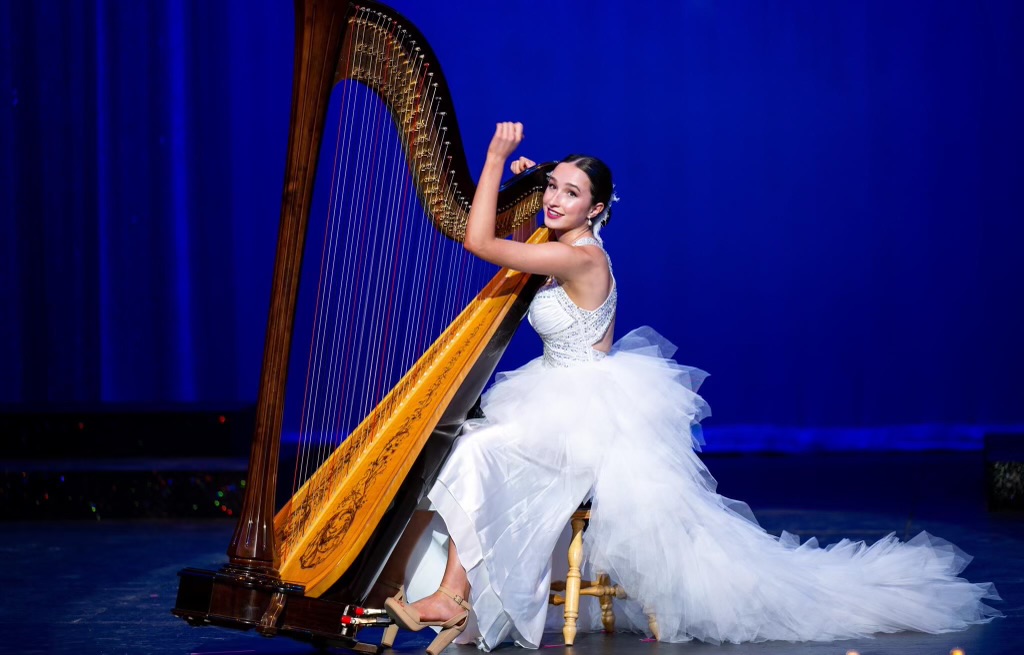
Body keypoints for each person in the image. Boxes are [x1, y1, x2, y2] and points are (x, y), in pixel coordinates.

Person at [381, 122, 1000, 652]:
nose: (555, 200)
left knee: (474, 450)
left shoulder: (583, 258)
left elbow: (480, 241)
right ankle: (427, 592)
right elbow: (517, 227)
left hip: (583, 411)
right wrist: (530, 182)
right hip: (553, 393)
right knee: (459, 447)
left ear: (598, 209)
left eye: (573, 193)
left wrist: (492, 161)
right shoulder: (560, 242)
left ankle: (448, 595)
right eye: (552, 188)